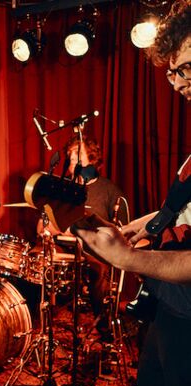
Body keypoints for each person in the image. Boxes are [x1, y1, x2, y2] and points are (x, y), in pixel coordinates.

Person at [75, 2, 191, 386]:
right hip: (169, 309)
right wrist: (132, 227)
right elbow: (177, 212)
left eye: (185, 68)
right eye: (172, 72)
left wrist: (126, 258)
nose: (177, 83)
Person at [38, 135, 127, 336]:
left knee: (99, 268)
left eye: (77, 156)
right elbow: (42, 226)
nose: (72, 160)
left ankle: (103, 326)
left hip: (94, 248)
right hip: (64, 246)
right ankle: (44, 326)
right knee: (37, 259)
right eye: (70, 157)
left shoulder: (109, 190)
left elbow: (122, 228)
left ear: (92, 160)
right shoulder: (61, 188)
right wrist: (60, 228)